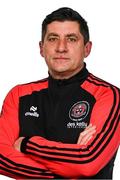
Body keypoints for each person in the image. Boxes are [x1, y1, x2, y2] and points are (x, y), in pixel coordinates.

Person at [0, 7, 120, 179]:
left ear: (87, 48)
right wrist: (70, 166)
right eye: (52, 38)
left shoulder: (107, 95)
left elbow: (88, 161)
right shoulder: (19, 95)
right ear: (41, 48)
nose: (61, 48)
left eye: (71, 39)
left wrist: (27, 144)